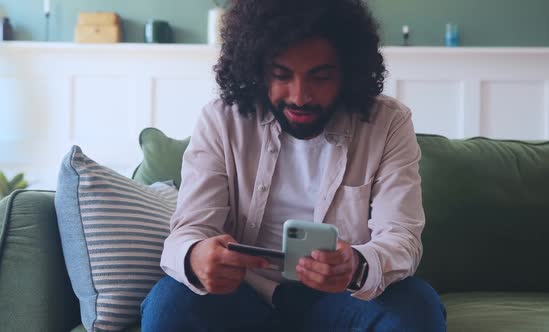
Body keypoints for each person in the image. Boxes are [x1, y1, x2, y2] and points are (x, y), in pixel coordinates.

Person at [141, 0, 446, 330]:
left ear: (348, 72)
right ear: (256, 70)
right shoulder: (221, 120)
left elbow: (401, 239)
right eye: (281, 75)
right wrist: (196, 256)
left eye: (321, 76)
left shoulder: (388, 123)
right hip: (243, 294)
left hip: (343, 298)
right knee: (169, 303)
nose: (300, 96)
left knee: (416, 305)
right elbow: (187, 232)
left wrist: (356, 265)